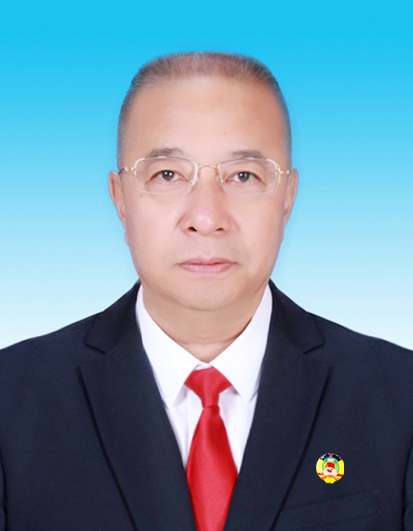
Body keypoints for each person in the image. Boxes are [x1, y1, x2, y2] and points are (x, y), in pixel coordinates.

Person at [0, 51, 412, 531]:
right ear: (120, 199)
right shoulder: (12, 402)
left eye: (243, 176)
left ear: (287, 198)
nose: (206, 217)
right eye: (168, 175)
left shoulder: (399, 399)